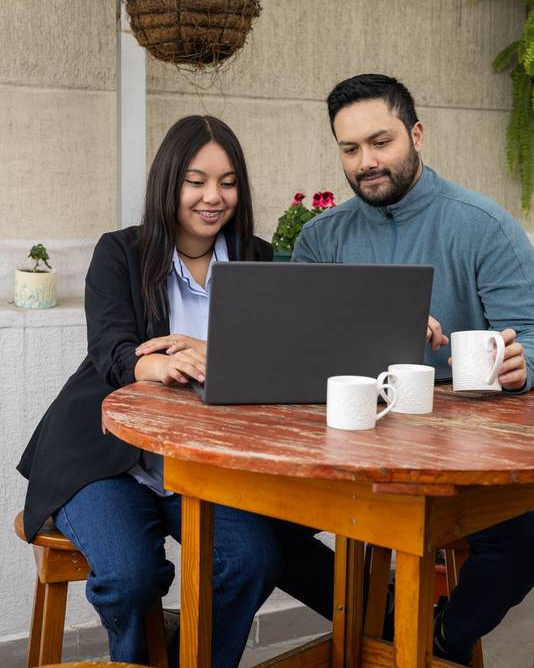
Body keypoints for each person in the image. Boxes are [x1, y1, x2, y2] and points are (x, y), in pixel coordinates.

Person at [18, 115, 334, 668]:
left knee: (254, 561)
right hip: (108, 459)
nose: (214, 197)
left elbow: (291, 358)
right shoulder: (121, 252)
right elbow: (112, 351)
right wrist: (156, 363)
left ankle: (196, 657)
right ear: (169, 182)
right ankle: (139, 655)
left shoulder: (259, 261)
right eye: (196, 180)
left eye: (228, 181)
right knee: (130, 577)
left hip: (204, 466)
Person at [293, 74, 534, 664]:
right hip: (348, 447)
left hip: (467, 453)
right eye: (350, 150)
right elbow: (297, 348)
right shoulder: (322, 238)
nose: (366, 162)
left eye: (381, 142)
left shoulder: (483, 226)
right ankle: (390, 619)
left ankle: (445, 633)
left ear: (417, 134)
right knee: (251, 525)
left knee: (528, 529)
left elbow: (530, 331)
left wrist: (521, 365)